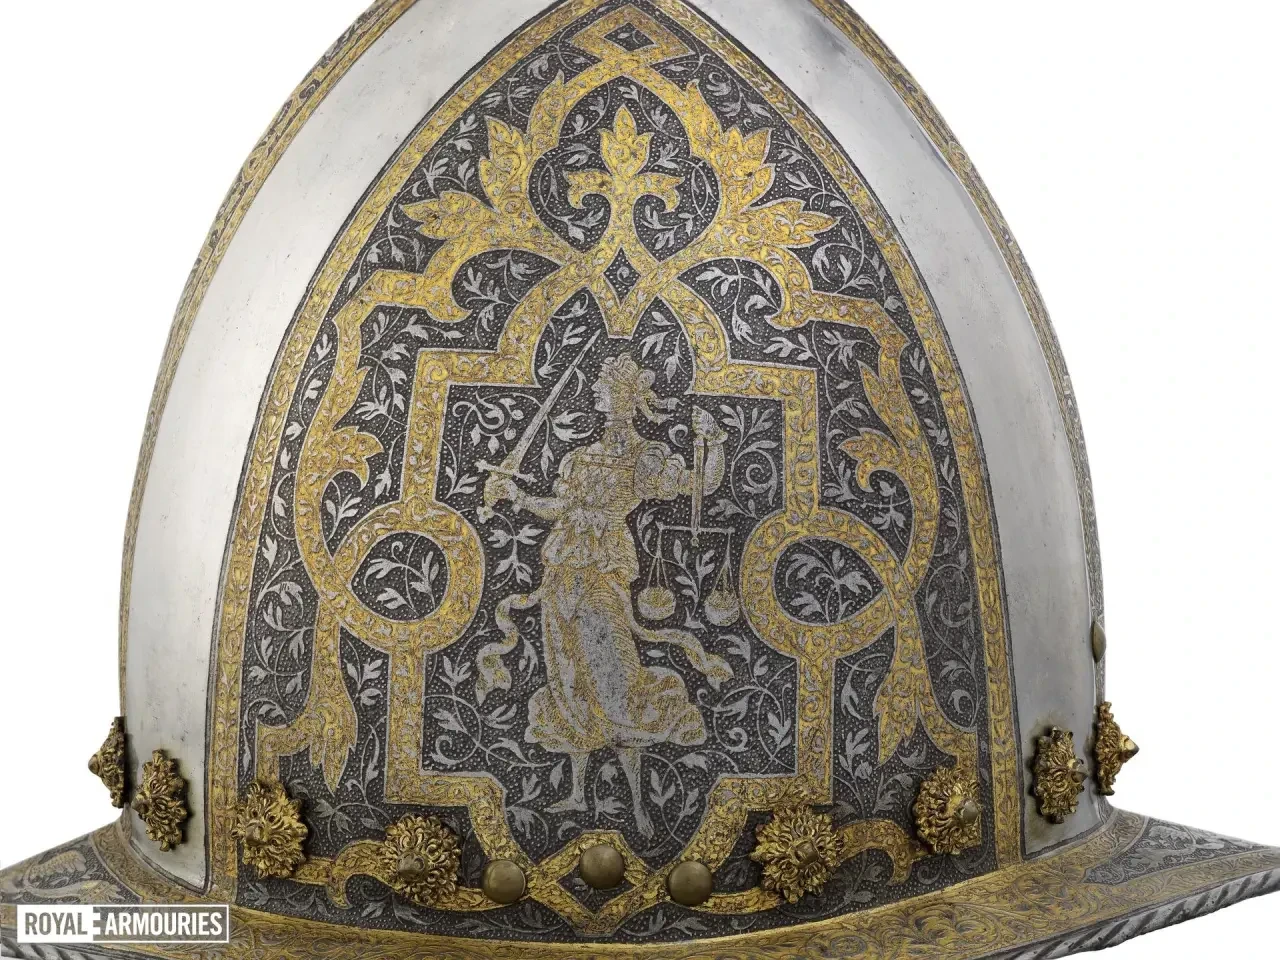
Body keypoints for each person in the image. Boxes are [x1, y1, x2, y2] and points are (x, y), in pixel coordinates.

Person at [478, 354, 733, 837]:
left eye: (605, 387)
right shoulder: (581, 455)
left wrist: (714, 442)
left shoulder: (645, 458)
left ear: (628, 398)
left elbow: (700, 483)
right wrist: (517, 497)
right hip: (562, 575)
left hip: (603, 576)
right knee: (569, 676)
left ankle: (637, 801)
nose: (596, 392)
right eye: (597, 386)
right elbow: (561, 508)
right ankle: (578, 792)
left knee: (613, 679)